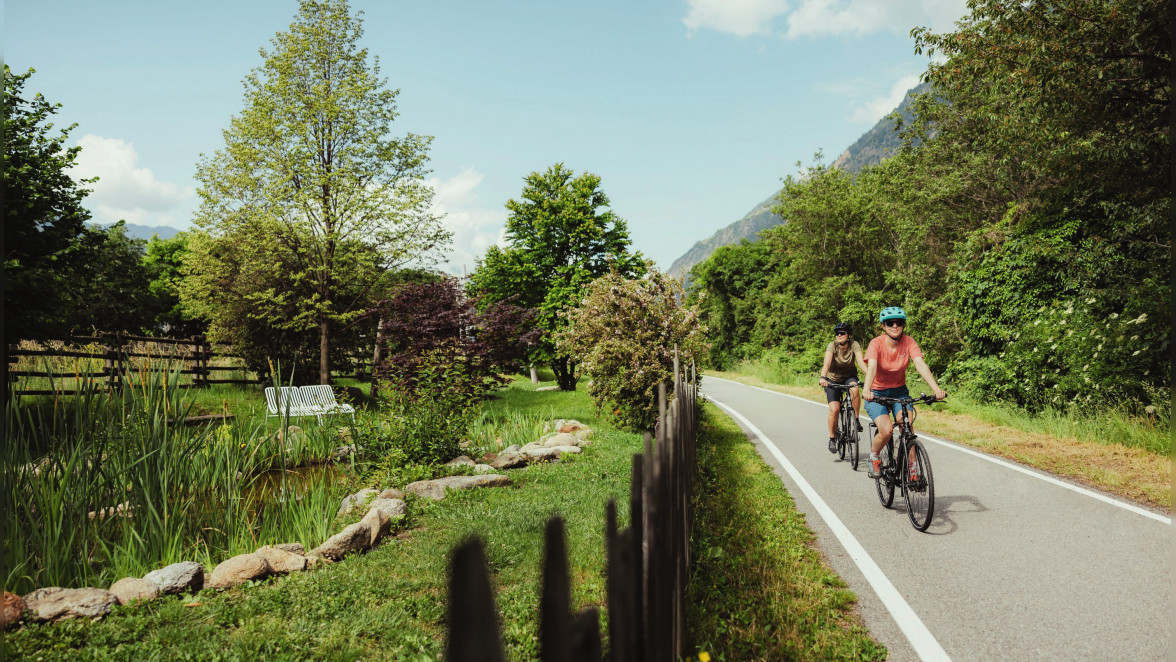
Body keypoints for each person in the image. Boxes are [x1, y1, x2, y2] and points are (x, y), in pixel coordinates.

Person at [862, 307, 947, 478]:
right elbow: (871, 368)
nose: (895, 326)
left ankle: (913, 468)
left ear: (903, 325)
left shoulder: (908, 342)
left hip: (900, 393)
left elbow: (920, 364)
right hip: (877, 394)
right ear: (883, 326)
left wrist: (936, 389)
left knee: (907, 428)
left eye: (899, 322)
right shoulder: (876, 343)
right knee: (886, 431)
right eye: (890, 323)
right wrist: (866, 389)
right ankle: (874, 457)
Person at [818, 322, 867, 453]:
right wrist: (823, 377)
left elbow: (861, 362)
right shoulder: (832, 345)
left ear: (848, 335)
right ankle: (832, 438)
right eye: (837, 333)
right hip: (832, 380)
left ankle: (856, 419)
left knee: (855, 389)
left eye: (842, 333)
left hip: (849, 377)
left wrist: (870, 375)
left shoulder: (854, 344)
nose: (839, 335)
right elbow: (827, 363)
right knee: (835, 410)